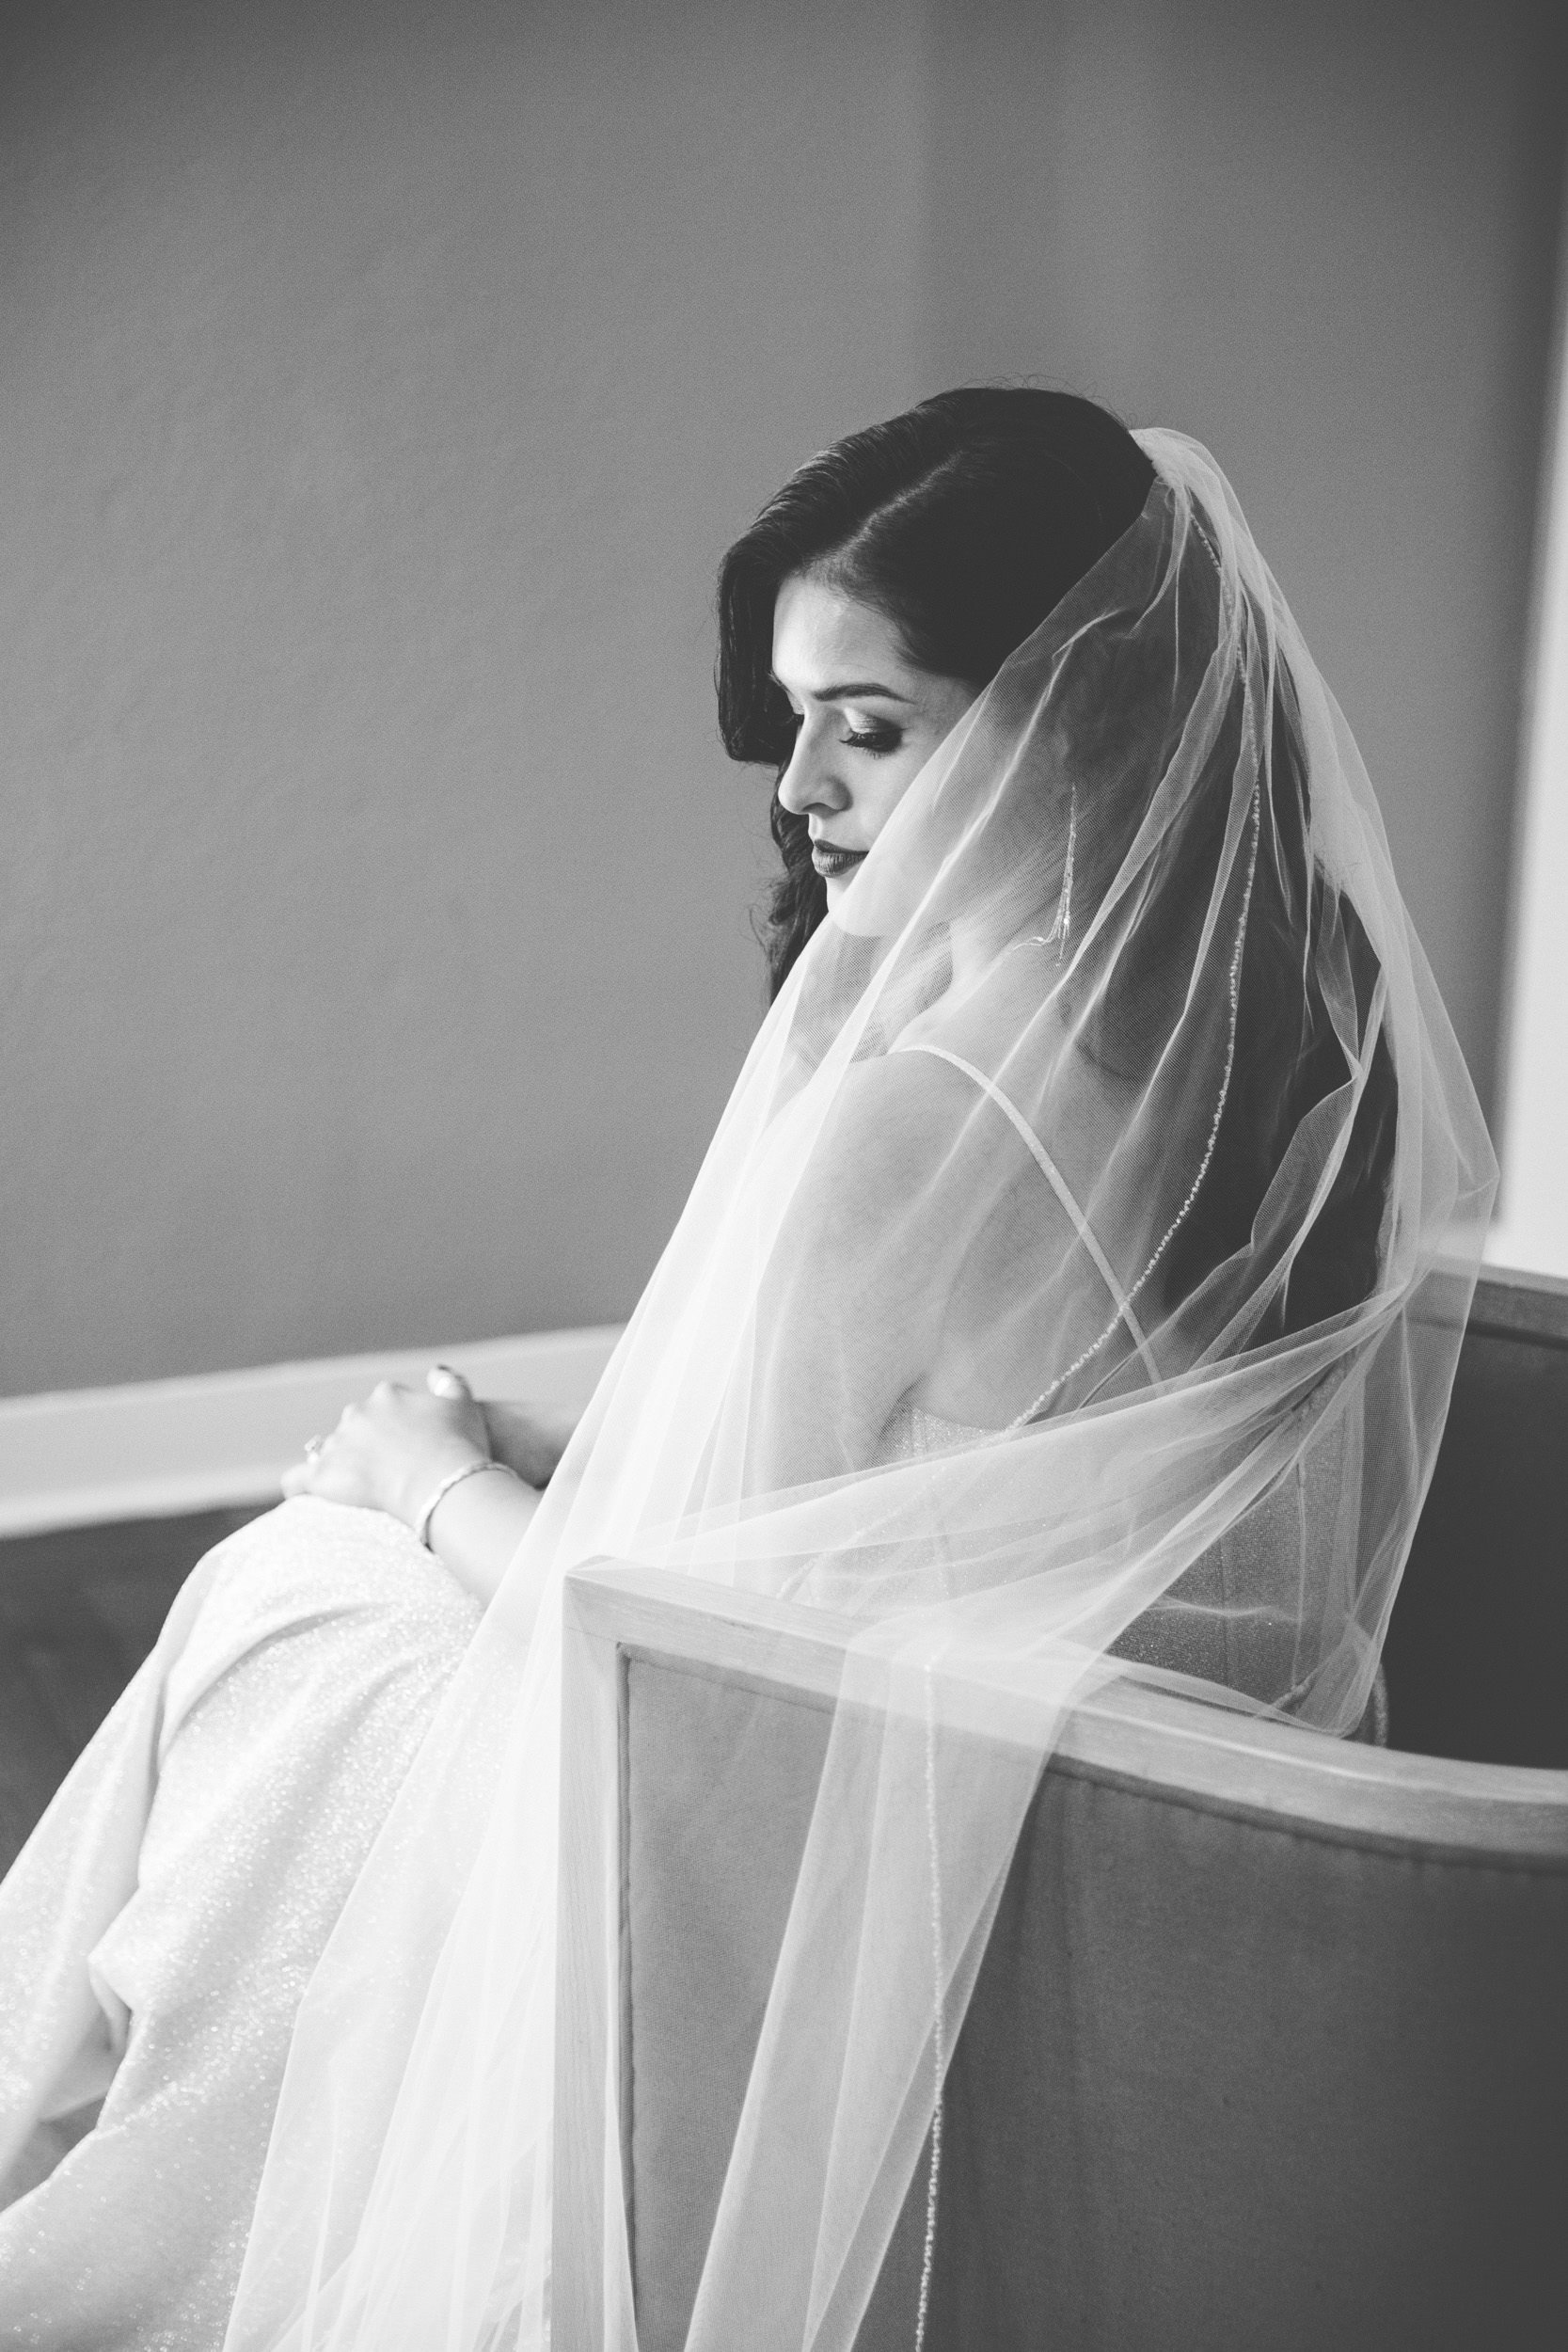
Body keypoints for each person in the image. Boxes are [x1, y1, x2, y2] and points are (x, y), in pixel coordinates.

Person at [0, 389, 1492, 2351]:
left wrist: (427, 1478)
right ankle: (63, 2103)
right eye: (793, 719)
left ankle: (76, 2150)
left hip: (856, 1841)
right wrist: (530, 1436)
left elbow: (679, 1653)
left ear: (1076, 711)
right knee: (323, 1586)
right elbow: (984, 1458)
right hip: (1113, 1788)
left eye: (868, 724)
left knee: (293, 1598)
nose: (796, 783)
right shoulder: (1307, 1023)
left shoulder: (926, 1123)